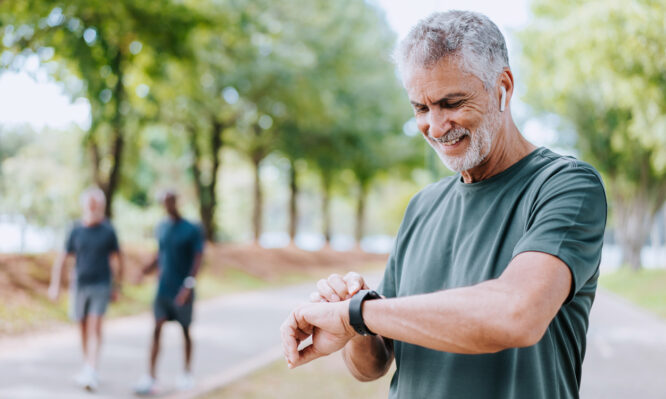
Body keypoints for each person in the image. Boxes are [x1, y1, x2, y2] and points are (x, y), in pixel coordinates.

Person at [280, 10, 607, 399]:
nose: (435, 128)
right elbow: (374, 365)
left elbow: (515, 315)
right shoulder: (423, 206)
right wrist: (352, 322)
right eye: (421, 108)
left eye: (451, 103)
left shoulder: (565, 186)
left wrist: (359, 313)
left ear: (502, 87)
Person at [48, 187, 124, 391]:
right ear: (84, 205)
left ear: (101, 206)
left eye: (96, 204)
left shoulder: (108, 230)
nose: (93, 207)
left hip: (101, 284)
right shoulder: (75, 230)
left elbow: (118, 259)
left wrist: (118, 286)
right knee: (81, 326)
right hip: (80, 284)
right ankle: (87, 367)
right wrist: (55, 285)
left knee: (95, 325)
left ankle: (92, 368)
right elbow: (62, 258)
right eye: (90, 203)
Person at [134, 190, 204, 395]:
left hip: (182, 289)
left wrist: (188, 285)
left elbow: (198, 257)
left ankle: (186, 374)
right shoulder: (162, 227)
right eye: (163, 202)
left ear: (176, 202)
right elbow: (161, 253)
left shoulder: (191, 229)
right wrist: (144, 271)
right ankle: (151, 376)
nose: (167, 205)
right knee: (156, 329)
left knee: (185, 330)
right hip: (163, 288)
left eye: (170, 201)